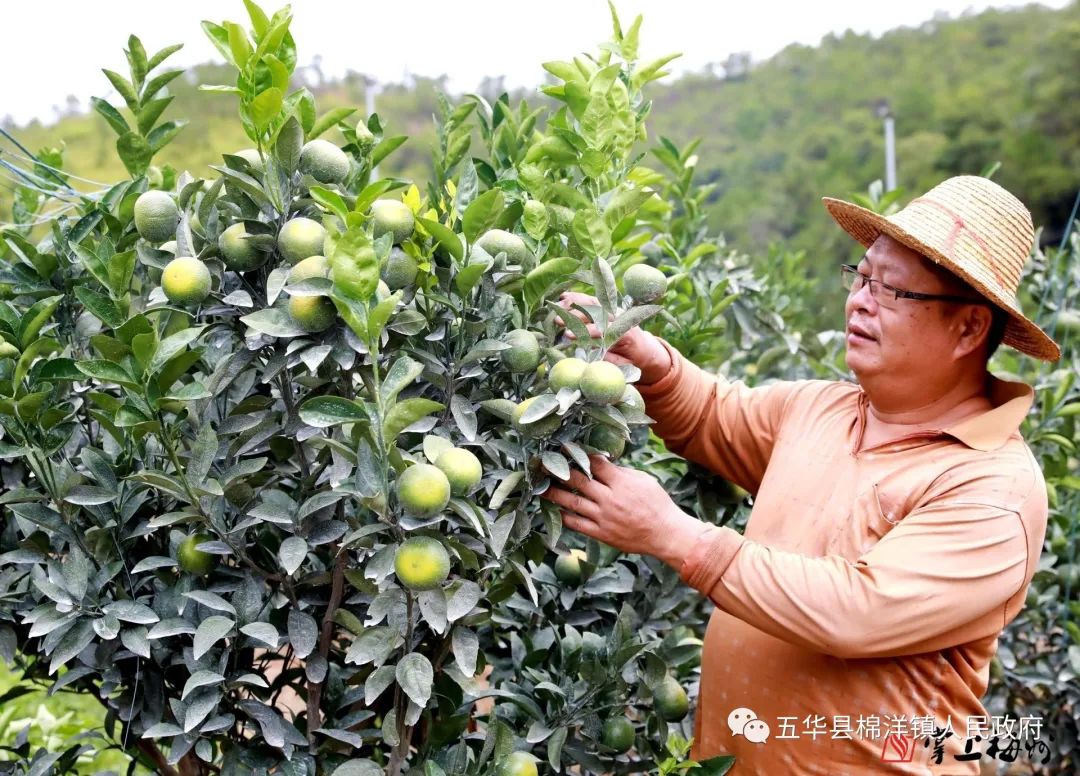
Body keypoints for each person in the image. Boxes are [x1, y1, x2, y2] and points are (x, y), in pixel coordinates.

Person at [543, 175, 1060, 774]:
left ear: (969, 328)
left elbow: (858, 611)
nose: (860, 301)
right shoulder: (820, 410)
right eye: (862, 277)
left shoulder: (991, 487)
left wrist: (673, 535)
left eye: (893, 291)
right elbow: (713, 415)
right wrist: (654, 366)